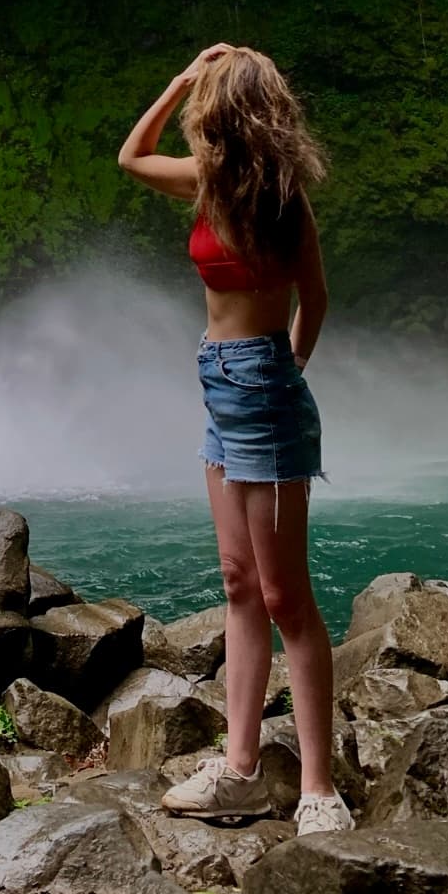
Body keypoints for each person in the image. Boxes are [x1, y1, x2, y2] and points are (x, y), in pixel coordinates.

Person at [117, 43, 353, 838]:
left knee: (287, 596)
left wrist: (287, 369)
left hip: (265, 388)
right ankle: (240, 768)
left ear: (234, 109)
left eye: (205, 96)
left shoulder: (285, 199)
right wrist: (176, 78)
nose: (198, 107)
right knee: (238, 581)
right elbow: (131, 156)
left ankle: (318, 789)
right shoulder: (206, 181)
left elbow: (315, 297)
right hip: (218, 386)